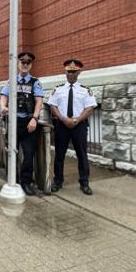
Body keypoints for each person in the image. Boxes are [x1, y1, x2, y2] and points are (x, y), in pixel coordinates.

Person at [47, 59, 98, 195]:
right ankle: (57, 181)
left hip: (79, 126)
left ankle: (84, 183)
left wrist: (76, 120)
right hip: (62, 126)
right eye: (69, 71)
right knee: (59, 155)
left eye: (74, 72)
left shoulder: (85, 90)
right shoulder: (58, 89)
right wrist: (63, 119)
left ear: (79, 73)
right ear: (65, 72)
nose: (71, 74)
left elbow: (89, 108)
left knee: (82, 155)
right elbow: (53, 106)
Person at [0, 51, 44, 196]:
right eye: (22, 62)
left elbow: (39, 101)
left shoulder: (35, 82)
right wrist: (3, 107)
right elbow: (3, 96)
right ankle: (12, 180)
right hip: (13, 122)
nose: (25, 65)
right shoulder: (12, 80)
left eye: (28, 63)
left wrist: (35, 119)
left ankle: (25, 183)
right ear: (18, 64)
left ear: (31, 65)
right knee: (10, 153)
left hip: (28, 123)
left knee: (29, 154)